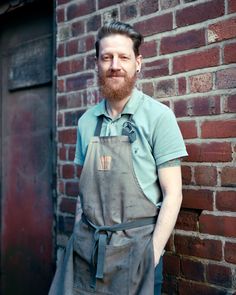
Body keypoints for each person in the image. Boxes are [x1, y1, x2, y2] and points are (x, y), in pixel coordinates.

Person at [49, 21, 188, 295]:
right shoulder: (86, 121)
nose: (115, 65)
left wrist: (153, 254)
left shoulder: (159, 117)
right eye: (107, 57)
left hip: (137, 256)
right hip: (87, 253)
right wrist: (79, 233)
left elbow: (174, 194)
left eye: (123, 57)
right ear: (97, 64)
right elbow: (84, 193)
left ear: (138, 63)